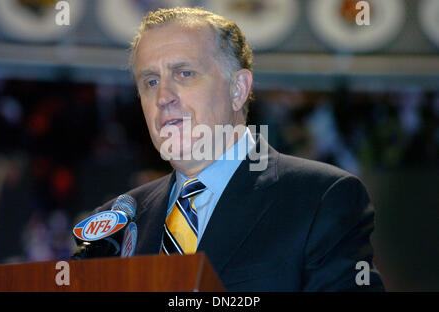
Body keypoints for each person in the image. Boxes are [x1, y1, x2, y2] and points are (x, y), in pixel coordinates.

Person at [95, 7, 385, 291]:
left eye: (184, 73)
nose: (163, 97)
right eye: (150, 81)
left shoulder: (321, 198)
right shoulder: (116, 222)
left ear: (237, 89)